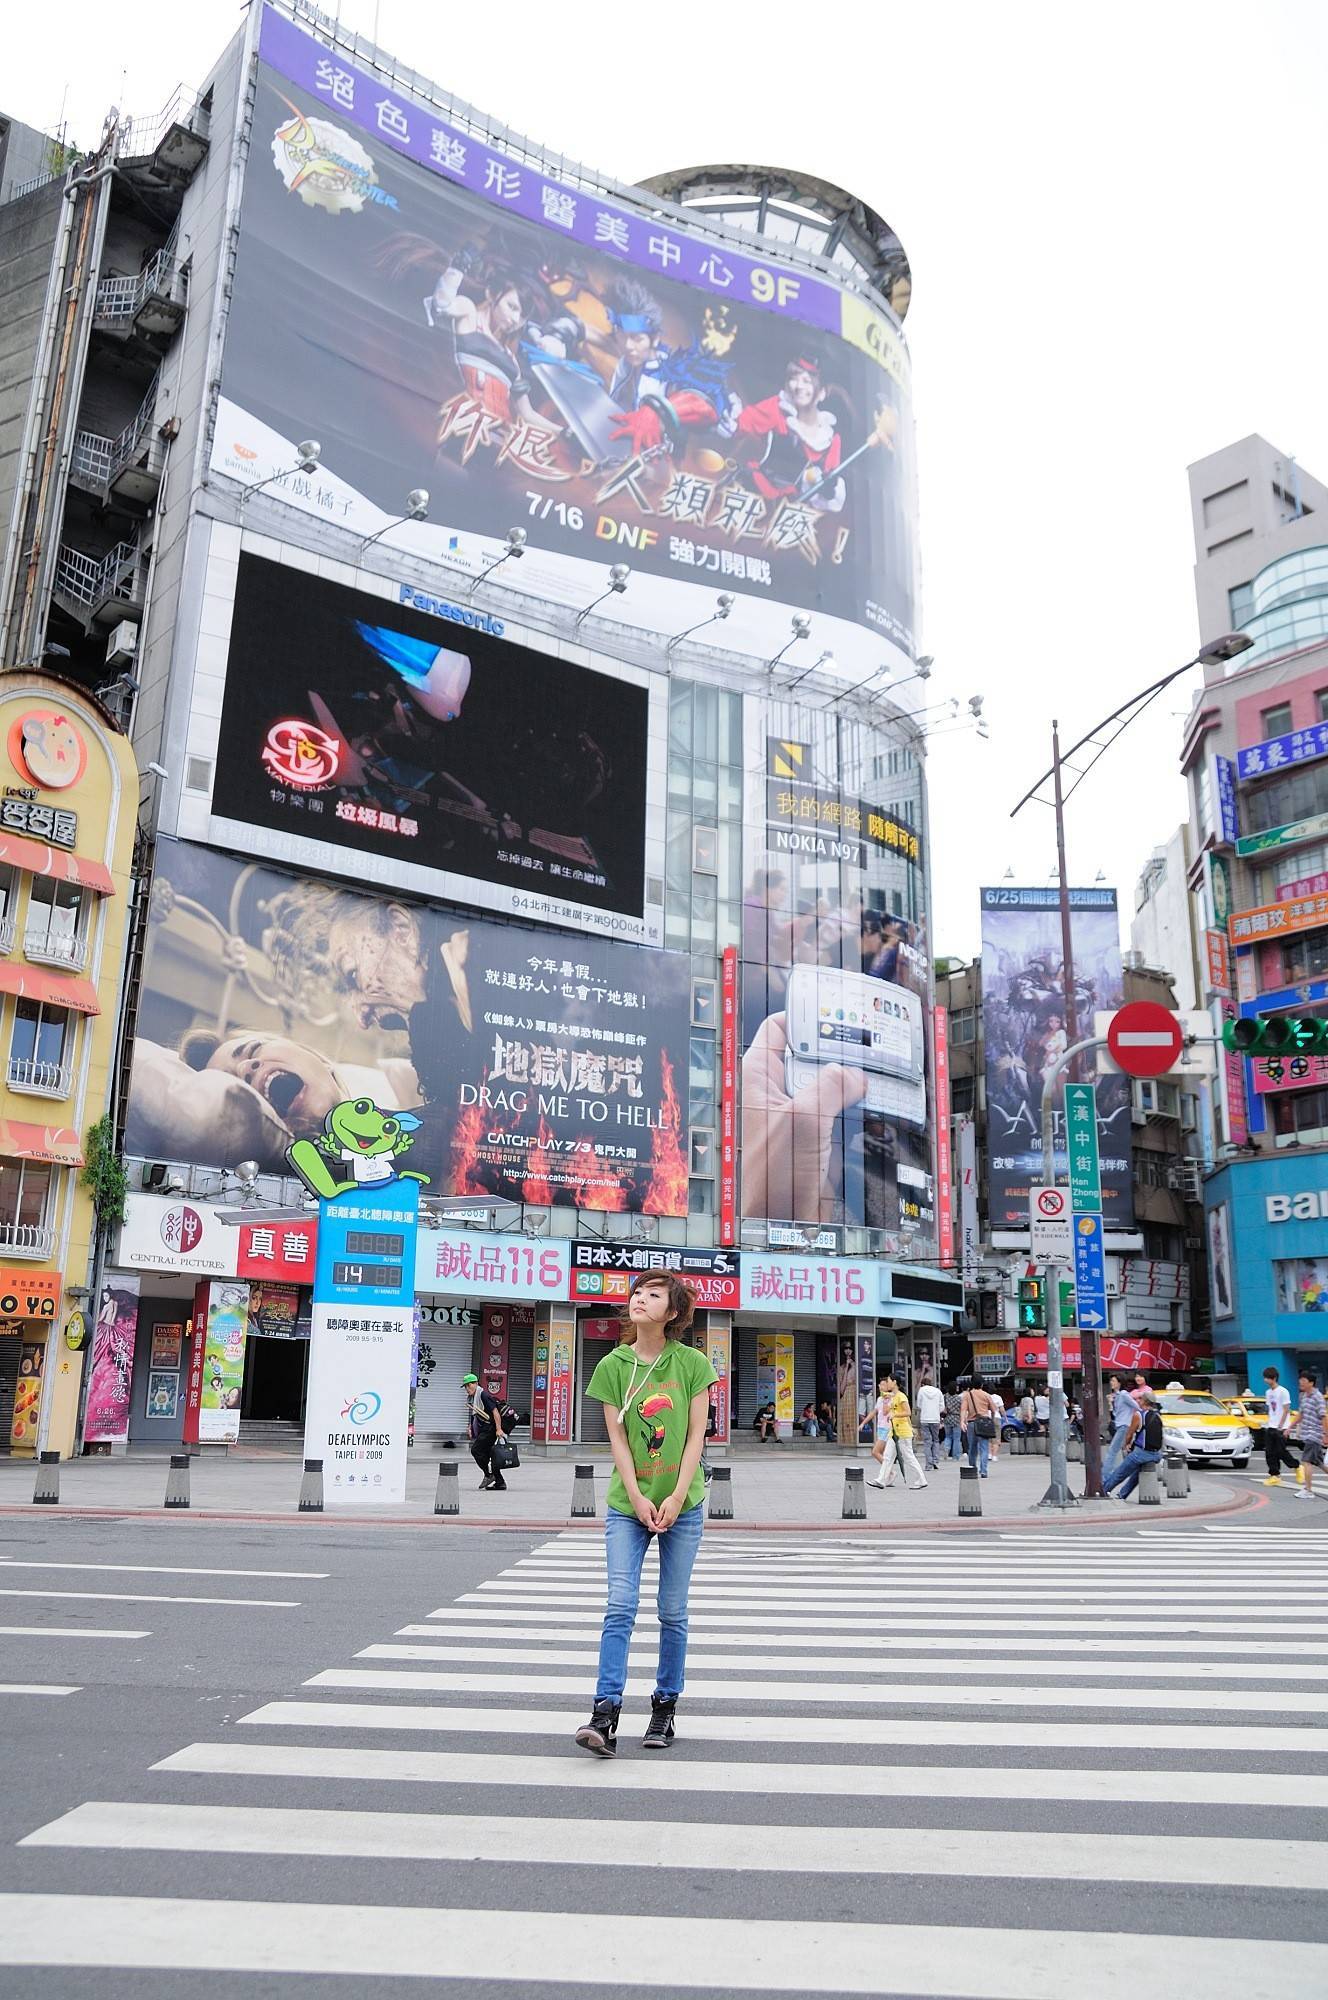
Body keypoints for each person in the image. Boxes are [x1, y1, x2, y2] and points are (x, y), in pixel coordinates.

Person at [574, 1272, 715, 1757]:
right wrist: (636, 1497)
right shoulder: (614, 1364)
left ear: (672, 1313)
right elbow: (616, 1440)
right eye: (637, 1292)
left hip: (685, 1503)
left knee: (671, 1611)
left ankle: (664, 1708)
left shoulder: (693, 1363)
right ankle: (604, 1712)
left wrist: (676, 1496)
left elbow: (697, 1435)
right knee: (620, 1605)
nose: (639, 1299)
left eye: (653, 1295)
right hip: (626, 1506)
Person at [870, 1373, 927, 1490]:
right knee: (887, 1456)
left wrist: (895, 1414)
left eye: (889, 1381)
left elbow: (908, 1412)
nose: (888, 1383)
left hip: (903, 1432)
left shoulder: (901, 1396)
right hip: (894, 1432)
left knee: (908, 1457)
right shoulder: (893, 1396)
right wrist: (886, 1400)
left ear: (894, 1382)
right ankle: (881, 1480)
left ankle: (921, 1479)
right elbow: (886, 1411)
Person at [1104, 1391, 1165, 1500]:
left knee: (1120, 1473)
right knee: (1137, 1473)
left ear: (1145, 1401)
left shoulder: (1139, 1415)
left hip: (1141, 1453)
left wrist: (1127, 1445)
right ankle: (1122, 1494)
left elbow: (1129, 1434)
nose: (1138, 1401)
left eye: (1140, 1399)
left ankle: (1103, 1491)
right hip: (1156, 1454)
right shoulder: (1158, 1415)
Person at [464, 1373, 508, 1492]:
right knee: (489, 1454)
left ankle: (489, 1475)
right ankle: (500, 1482)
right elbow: (477, 1415)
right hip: (485, 1429)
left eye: (469, 1385)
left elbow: (495, 1412)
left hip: (490, 1429)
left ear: (476, 1384)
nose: (467, 1389)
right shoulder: (474, 1398)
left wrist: (499, 1429)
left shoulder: (483, 1394)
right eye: (466, 1386)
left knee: (476, 1450)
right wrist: (470, 1427)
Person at [1292, 1370, 1326, 1501]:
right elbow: (1301, 1414)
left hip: (1315, 1434)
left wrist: (1325, 1434)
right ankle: (1307, 1489)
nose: (1301, 1383)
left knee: (1306, 1461)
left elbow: (1323, 1417)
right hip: (1307, 1433)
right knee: (1320, 1463)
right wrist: (1290, 1427)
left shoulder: (1318, 1397)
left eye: (1303, 1381)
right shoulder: (1303, 1396)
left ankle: (1308, 1490)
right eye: (1300, 1381)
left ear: (1311, 1383)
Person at [1261, 1365, 1297, 1485]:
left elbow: (1286, 1409)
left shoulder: (1283, 1391)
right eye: (1265, 1378)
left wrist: (1281, 1425)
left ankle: (1296, 1466)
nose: (1265, 1380)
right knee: (1270, 1452)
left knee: (1281, 1451)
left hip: (1281, 1427)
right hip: (1270, 1426)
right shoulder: (1268, 1392)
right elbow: (1270, 1409)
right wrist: (1268, 1422)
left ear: (1274, 1378)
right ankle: (1274, 1475)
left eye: (1267, 1378)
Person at [1103, 1374, 1137, 1483]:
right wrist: (1110, 1403)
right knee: (1122, 1451)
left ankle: (1105, 1478)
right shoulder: (1117, 1396)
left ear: (1119, 1383)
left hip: (1124, 1425)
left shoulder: (1124, 1394)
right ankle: (1125, 1473)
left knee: (1112, 1451)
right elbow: (1115, 1414)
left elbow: (1136, 1406)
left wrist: (1133, 1418)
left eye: (1113, 1381)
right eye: (1111, 1381)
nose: (1111, 1383)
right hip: (1120, 1425)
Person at [962, 1379, 997, 1477]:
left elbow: (963, 1410)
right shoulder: (986, 1395)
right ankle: (983, 1471)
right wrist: (992, 1419)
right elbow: (994, 1409)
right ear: (981, 1384)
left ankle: (973, 1468)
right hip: (984, 1423)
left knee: (972, 1449)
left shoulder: (967, 1395)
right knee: (984, 1448)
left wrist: (962, 1422)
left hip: (972, 1423)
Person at [916, 1376, 944, 1470]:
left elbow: (919, 1404)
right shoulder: (938, 1391)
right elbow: (942, 1406)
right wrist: (936, 1411)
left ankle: (929, 1464)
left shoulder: (921, 1390)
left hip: (925, 1418)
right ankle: (936, 1461)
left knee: (927, 1442)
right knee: (936, 1440)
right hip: (935, 1419)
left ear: (923, 1384)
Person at [943, 1384, 965, 1460]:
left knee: (948, 1436)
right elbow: (962, 1409)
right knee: (957, 1438)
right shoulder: (959, 1398)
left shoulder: (945, 1397)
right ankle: (956, 1456)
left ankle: (946, 1450)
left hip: (947, 1418)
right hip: (956, 1418)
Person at [988, 1385, 1006, 1458]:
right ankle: (994, 1455)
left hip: (988, 1417)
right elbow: (1002, 1409)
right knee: (996, 1437)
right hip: (997, 1417)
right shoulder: (998, 1397)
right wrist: (1005, 1418)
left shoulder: (986, 1397)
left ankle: (989, 1454)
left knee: (989, 1437)